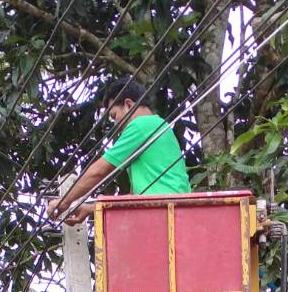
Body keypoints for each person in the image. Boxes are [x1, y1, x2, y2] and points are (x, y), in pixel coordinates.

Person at [45, 77, 192, 225]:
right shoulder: (161, 126)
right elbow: (134, 200)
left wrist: (64, 201)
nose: (116, 124)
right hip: (176, 213)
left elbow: (99, 171)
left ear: (128, 104)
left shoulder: (141, 125)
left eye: (114, 116)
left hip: (162, 214)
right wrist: (90, 209)